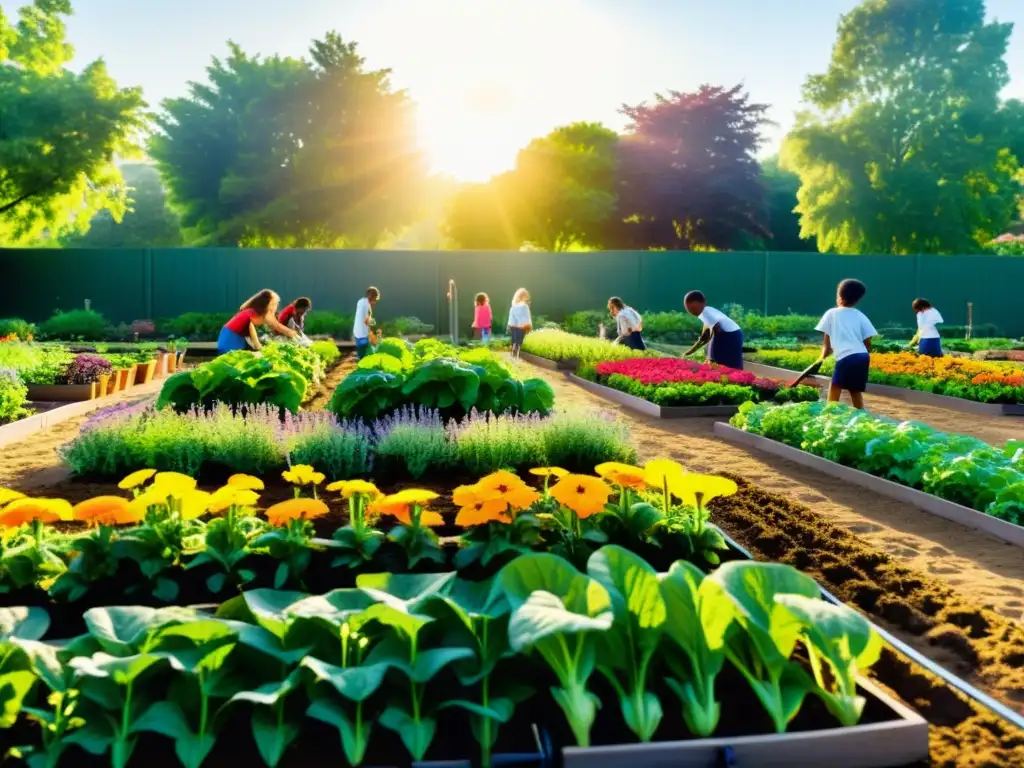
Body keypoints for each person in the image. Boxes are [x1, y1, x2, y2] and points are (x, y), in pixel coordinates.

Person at [815, 278, 878, 409]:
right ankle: (861, 415)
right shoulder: (860, 315)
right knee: (854, 389)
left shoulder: (831, 314)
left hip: (846, 356)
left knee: (835, 386)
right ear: (858, 299)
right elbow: (868, 342)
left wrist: (820, 360)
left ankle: (829, 414)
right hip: (862, 356)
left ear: (839, 295)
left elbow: (827, 347)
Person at [217, 289, 297, 355]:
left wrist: (291, 333)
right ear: (267, 303)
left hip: (232, 337)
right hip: (231, 339)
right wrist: (258, 346)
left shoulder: (256, 312)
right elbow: (252, 327)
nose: (276, 306)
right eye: (275, 303)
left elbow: (275, 325)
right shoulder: (254, 314)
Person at [682, 291, 744, 369]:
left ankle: (732, 377)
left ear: (701, 303)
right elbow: (705, 336)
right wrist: (691, 351)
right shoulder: (706, 311)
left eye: (693, 309)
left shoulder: (706, 312)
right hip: (734, 333)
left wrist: (712, 352)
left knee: (720, 360)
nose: (691, 312)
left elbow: (716, 329)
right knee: (724, 360)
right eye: (689, 310)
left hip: (730, 335)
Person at [353, 286, 380, 359]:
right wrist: (374, 324)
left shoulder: (360, 301)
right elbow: (366, 320)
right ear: (373, 297)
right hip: (363, 334)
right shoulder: (368, 306)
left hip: (356, 331)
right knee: (365, 354)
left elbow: (362, 316)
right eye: (375, 299)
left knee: (360, 351)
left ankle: (360, 360)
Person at [507, 288, 533, 361]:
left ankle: (512, 354)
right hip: (522, 326)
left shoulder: (513, 305)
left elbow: (511, 316)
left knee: (514, 340)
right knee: (519, 341)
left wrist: (510, 325)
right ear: (524, 296)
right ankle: (517, 355)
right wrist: (529, 326)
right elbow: (527, 317)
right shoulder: (524, 306)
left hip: (513, 325)